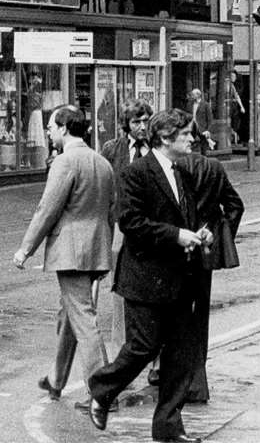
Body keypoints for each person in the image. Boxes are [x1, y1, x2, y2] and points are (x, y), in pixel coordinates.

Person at [86, 109, 209, 443]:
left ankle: (168, 427)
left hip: (180, 276)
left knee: (181, 354)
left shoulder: (182, 171)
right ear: (165, 138)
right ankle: (102, 389)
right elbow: (131, 223)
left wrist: (198, 232)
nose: (191, 139)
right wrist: (176, 235)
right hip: (145, 276)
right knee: (143, 346)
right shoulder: (136, 173)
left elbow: (184, 215)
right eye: (185, 134)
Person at [13, 105, 115, 404]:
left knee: (83, 318)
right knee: (70, 314)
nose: (47, 131)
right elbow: (110, 209)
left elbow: (47, 209)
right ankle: (56, 378)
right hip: (96, 247)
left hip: (71, 251)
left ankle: (103, 391)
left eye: (50, 126)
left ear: (64, 128)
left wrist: (25, 250)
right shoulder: (101, 162)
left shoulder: (65, 162)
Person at [176, 139, 244, 404]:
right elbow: (235, 205)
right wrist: (220, 234)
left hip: (177, 249)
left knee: (175, 315)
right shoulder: (214, 168)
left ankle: (173, 378)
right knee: (199, 315)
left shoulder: (172, 167)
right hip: (205, 252)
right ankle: (197, 383)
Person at [99, 100, 154, 357]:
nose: (142, 127)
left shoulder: (157, 147)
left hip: (152, 226)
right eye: (136, 122)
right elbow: (104, 186)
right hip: (122, 225)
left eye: (146, 121)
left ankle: (154, 351)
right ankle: (121, 345)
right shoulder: (112, 149)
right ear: (126, 125)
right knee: (120, 287)